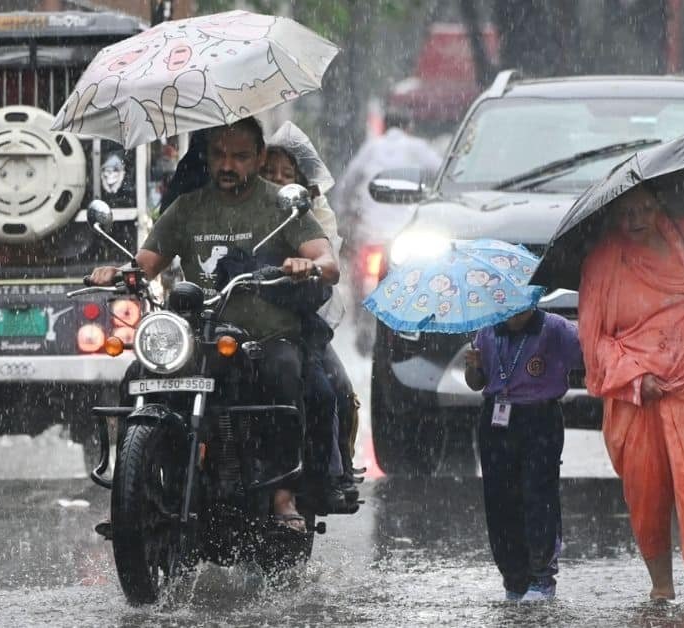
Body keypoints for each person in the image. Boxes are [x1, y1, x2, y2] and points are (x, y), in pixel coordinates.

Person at [89, 117, 340, 532]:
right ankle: (134, 488)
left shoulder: (280, 205)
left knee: (284, 373)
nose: (229, 165)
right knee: (137, 374)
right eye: (220, 155)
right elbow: (144, 267)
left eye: (241, 156)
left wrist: (306, 263)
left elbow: (328, 264)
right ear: (206, 157)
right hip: (199, 340)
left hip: (265, 340)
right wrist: (115, 273)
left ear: (260, 158)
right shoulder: (187, 209)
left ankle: (283, 494)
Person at [576, 186, 684, 607]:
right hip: (638, 395)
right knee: (646, 491)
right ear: (615, 216)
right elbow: (593, 340)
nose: (636, 219)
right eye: (627, 212)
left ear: (660, 209)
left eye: (645, 209)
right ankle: (661, 584)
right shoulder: (603, 261)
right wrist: (634, 378)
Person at [261, 122, 361, 508]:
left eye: (288, 175)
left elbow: (326, 267)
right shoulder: (236, 208)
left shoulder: (312, 216)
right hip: (233, 320)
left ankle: (329, 476)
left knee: (332, 388)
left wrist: (304, 267)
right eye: (269, 173)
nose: (277, 182)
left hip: (297, 321)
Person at [463, 305, 582, 603]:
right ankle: (513, 577)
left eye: (521, 307)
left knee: (538, 495)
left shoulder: (555, 328)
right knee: (500, 500)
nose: (514, 315)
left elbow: (587, 356)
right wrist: (473, 366)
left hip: (539, 418)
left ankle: (541, 576)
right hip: (496, 419)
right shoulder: (487, 329)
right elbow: (477, 382)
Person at [333, 108, 443, 257]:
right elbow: (443, 173)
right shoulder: (418, 147)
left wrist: (344, 211)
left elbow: (348, 182)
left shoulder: (371, 147)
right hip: (409, 229)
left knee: (358, 263)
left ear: (384, 126)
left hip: (370, 229)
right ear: (409, 128)